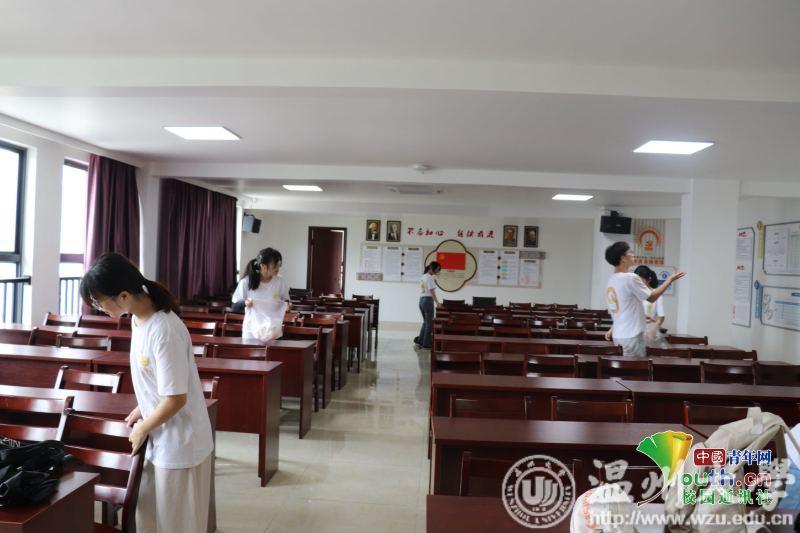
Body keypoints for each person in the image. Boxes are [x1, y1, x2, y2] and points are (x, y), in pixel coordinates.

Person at [79, 253, 213, 533]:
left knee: (177, 525)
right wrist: (143, 407)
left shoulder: (164, 330)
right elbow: (158, 381)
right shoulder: (138, 320)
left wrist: (142, 427)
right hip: (158, 435)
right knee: (148, 520)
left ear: (124, 296)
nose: (98, 308)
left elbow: (176, 398)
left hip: (180, 442)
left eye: (99, 301)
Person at [603, 242, 685, 356]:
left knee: (624, 366)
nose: (633, 254)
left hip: (618, 335)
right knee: (636, 367)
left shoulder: (611, 280)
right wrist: (669, 280)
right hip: (632, 336)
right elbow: (651, 297)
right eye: (630, 252)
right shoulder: (630, 278)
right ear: (623, 258)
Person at [232, 247, 290, 339]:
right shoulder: (246, 282)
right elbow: (234, 306)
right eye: (275, 265)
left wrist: (288, 306)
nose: (278, 268)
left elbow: (285, 300)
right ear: (263, 266)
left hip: (273, 331)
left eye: (279, 264)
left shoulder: (280, 281)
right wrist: (245, 303)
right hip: (251, 332)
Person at [636, 267, 667, 347]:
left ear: (648, 280)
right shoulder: (634, 293)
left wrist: (654, 328)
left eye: (640, 280)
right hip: (635, 331)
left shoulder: (656, 294)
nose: (638, 282)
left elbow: (661, 317)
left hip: (650, 331)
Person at [414, 261, 442, 349]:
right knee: (429, 323)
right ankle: (426, 344)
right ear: (431, 268)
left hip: (421, 300)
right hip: (428, 301)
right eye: (437, 269)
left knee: (426, 322)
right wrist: (437, 302)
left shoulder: (424, 276)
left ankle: (420, 341)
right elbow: (432, 291)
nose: (438, 271)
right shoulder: (429, 277)